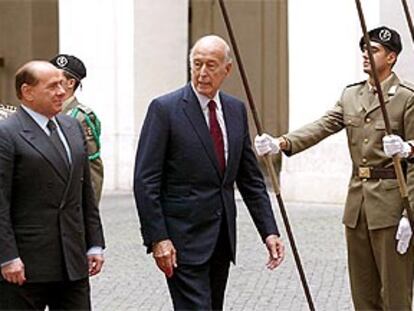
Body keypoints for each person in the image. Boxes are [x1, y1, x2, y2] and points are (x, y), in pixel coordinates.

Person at [255, 26, 414, 311]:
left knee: (395, 294)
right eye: (364, 48)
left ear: (391, 57)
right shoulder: (351, 95)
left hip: (391, 206)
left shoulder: (406, 98)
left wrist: (409, 212)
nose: (366, 53)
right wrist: (282, 142)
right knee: (362, 292)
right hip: (357, 206)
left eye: (374, 49)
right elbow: (323, 125)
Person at [133, 35, 285, 310]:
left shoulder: (235, 109)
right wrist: (158, 238)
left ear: (227, 69)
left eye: (211, 65)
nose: (202, 73)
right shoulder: (165, 109)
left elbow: (250, 180)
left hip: (221, 238)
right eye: (197, 64)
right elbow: (146, 180)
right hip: (182, 239)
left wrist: (269, 231)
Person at [0, 60, 105, 310]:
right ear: (28, 92)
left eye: (62, 84)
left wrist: (94, 243)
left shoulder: (72, 127)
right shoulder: (7, 133)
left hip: (72, 259)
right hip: (25, 265)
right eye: (52, 86)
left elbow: (84, 192)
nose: (62, 91)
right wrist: (7, 257)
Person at [50, 54, 104, 204]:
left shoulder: (80, 117)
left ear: (70, 83)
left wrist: (89, 210)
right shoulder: (43, 113)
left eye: (57, 78)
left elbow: (92, 168)